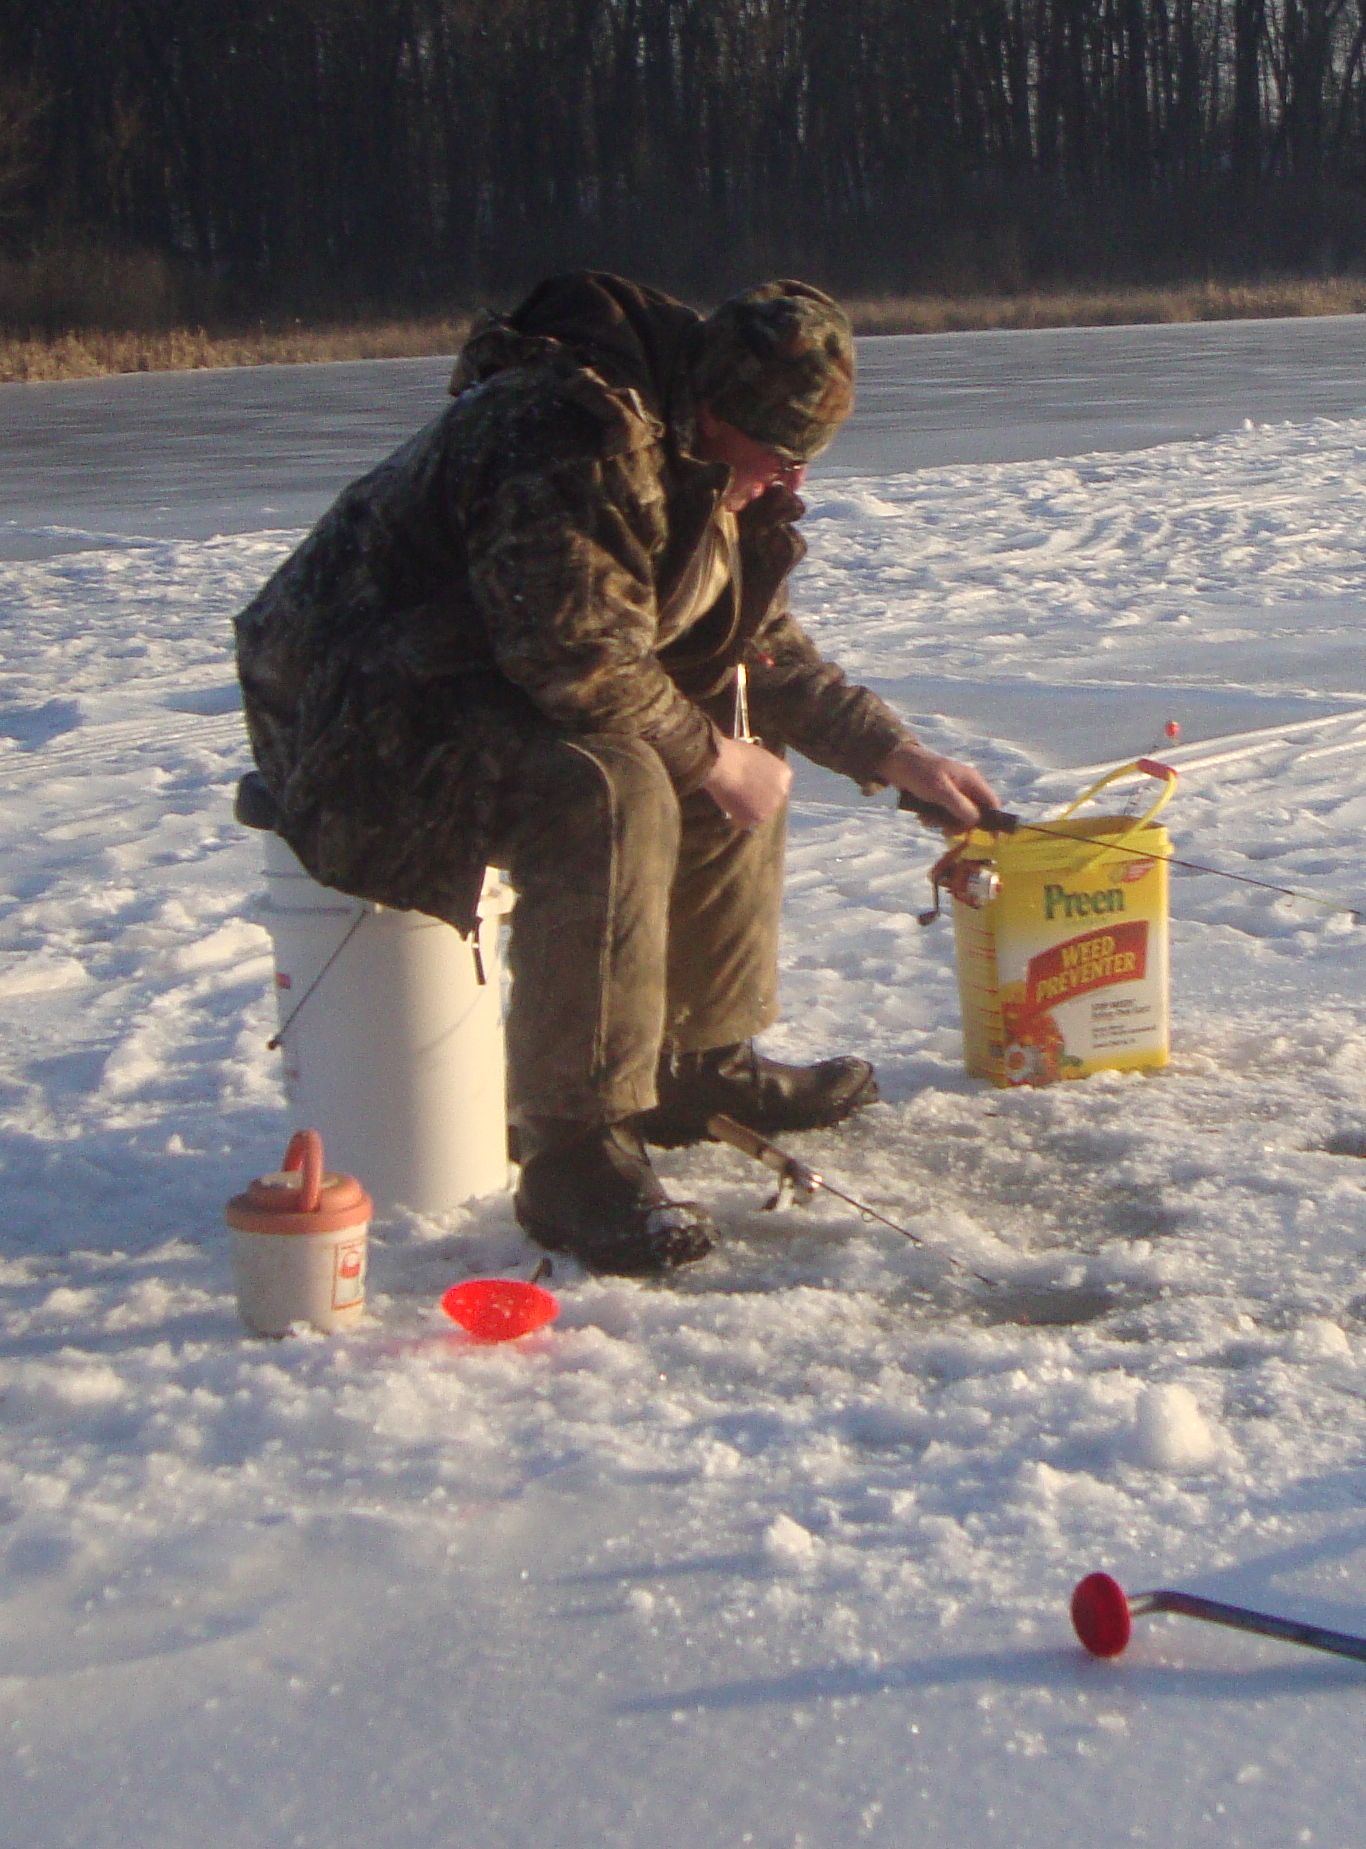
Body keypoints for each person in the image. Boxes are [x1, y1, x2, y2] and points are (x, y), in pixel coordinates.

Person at [232, 272, 1004, 1275]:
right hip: (355, 718)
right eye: (779, 455)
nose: (792, 480)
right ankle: (573, 1148)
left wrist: (896, 756)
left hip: (485, 686)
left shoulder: (706, 464)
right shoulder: (566, 438)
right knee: (610, 786)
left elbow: (755, 648)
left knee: (725, 741)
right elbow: (575, 658)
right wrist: (711, 758)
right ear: (717, 412)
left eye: (806, 457)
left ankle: (693, 1062)